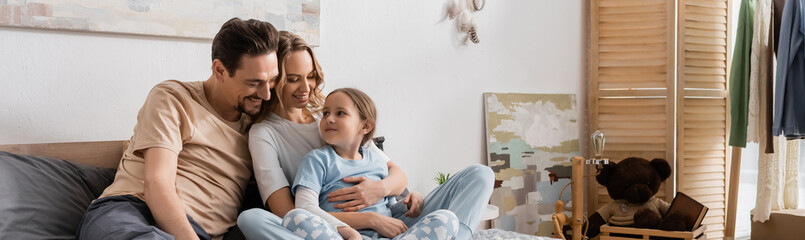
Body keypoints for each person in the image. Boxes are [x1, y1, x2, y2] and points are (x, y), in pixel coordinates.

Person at [238, 32, 495, 240]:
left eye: (311, 76)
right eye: (293, 79)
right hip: (331, 229)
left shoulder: (335, 118)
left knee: (480, 175)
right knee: (252, 219)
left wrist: (388, 193)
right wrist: (369, 220)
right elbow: (292, 213)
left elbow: (396, 174)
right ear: (274, 80)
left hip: (390, 218)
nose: (306, 88)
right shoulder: (265, 133)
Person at [75, 18, 280, 240]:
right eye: (253, 83)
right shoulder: (173, 98)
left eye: (272, 80)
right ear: (220, 70)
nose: (266, 94)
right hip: (133, 210)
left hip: (200, 231)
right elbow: (157, 184)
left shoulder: (260, 128)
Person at [285, 88, 460, 240]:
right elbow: (305, 208)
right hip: (341, 236)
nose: (329, 119)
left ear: (365, 126)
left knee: (447, 219)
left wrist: (412, 200)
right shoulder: (316, 160)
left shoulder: (377, 161)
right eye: (325, 113)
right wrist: (350, 231)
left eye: (340, 113)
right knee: (295, 217)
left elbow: (389, 208)